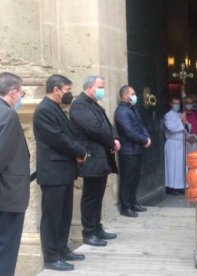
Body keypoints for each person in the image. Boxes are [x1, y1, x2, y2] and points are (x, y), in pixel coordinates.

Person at [33, 74, 88, 271]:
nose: (69, 94)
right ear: (56, 90)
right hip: (53, 171)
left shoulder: (56, 108)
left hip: (63, 170)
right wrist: (79, 151)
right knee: (52, 216)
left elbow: (67, 135)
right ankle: (51, 256)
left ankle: (62, 249)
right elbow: (57, 138)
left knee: (64, 214)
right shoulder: (44, 110)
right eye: (67, 90)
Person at [69, 75, 119, 247]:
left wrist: (115, 138)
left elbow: (106, 124)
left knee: (98, 195)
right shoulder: (79, 105)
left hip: (101, 156)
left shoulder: (93, 104)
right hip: (91, 157)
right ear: (89, 87)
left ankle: (97, 228)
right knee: (91, 196)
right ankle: (89, 232)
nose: (102, 90)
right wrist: (111, 142)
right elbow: (94, 129)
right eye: (100, 87)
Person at [0, 72, 30, 276]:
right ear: (13, 93)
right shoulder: (8, 115)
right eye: (22, 93)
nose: (22, 97)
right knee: (6, 252)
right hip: (8, 196)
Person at [115, 85, 151, 218]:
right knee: (127, 179)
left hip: (136, 149)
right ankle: (125, 206)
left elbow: (140, 125)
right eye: (132, 93)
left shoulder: (132, 108)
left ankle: (133, 201)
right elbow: (128, 131)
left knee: (135, 178)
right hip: (128, 150)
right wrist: (143, 140)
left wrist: (146, 137)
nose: (135, 96)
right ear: (125, 95)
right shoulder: (122, 111)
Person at [164, 97, 188, 195]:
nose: (177, 105)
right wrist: (180, 120)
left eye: (178, 103)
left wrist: (185, 121)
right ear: (171, 104)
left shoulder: (180, 114)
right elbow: (170, 128)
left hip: (181, 143)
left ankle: (182, 186)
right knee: (172, 166)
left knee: (181, 167)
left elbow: (187, 127)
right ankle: (171, 187)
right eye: (175, 103)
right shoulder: (167, 115)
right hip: (172, 144)